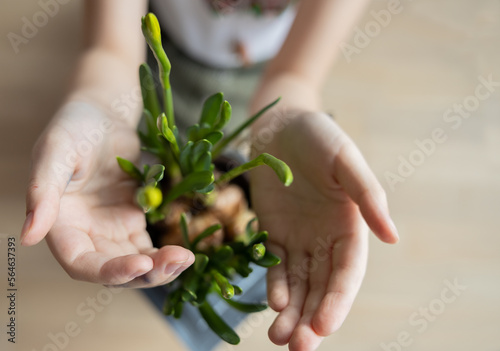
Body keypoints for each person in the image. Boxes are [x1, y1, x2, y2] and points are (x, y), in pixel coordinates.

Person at [20, 1, 399, 350]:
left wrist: (289, 118)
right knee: (165, 135)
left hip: (265, 71)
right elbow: (112, 51)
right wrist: (100, 105)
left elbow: (294, 76)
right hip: (151, 50)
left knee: (212, 141)